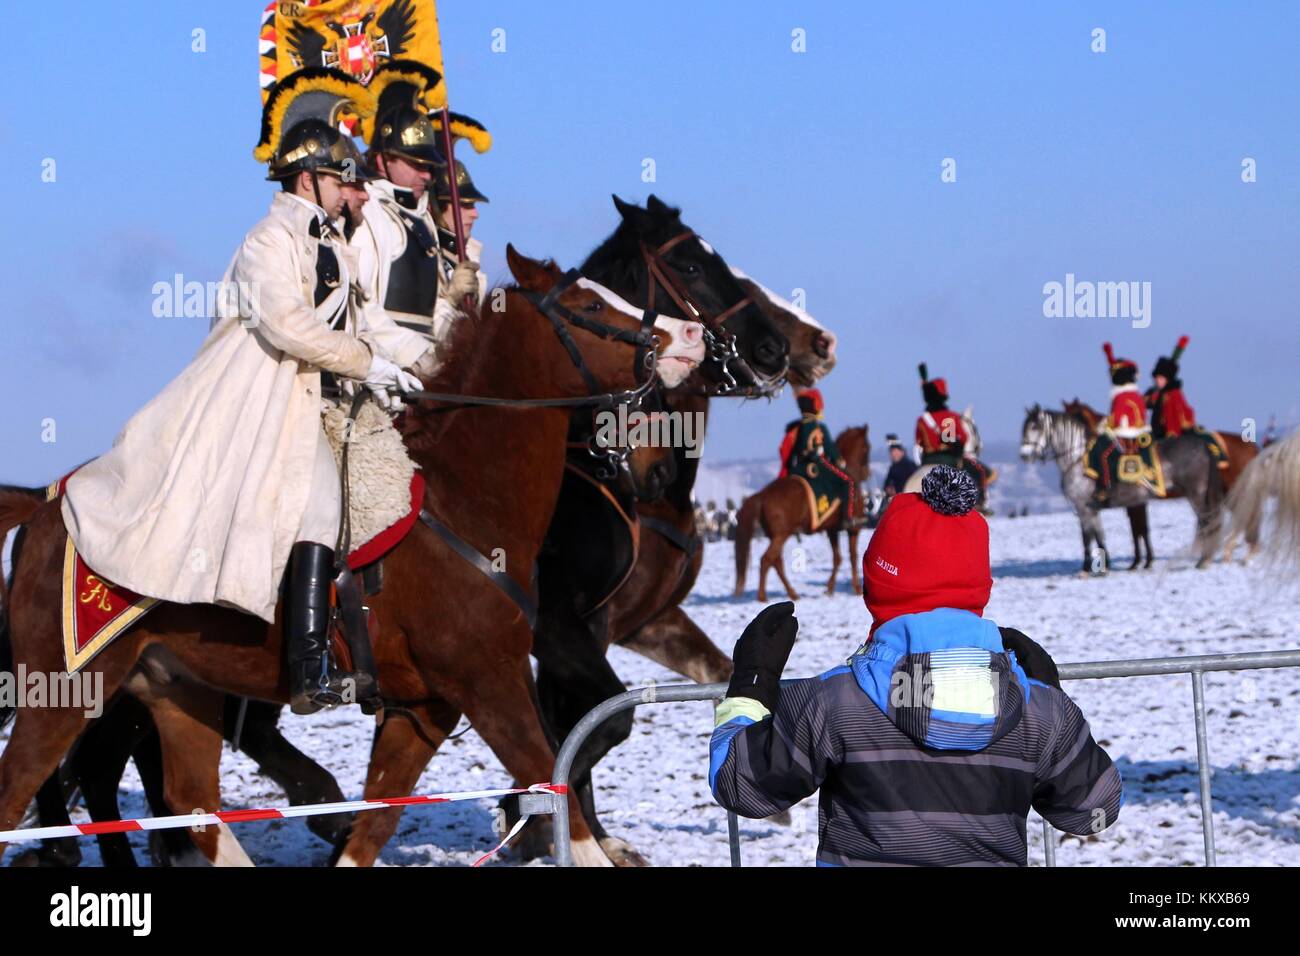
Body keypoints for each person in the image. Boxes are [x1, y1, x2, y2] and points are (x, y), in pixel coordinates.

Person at [61, 69, 423, 715]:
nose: (348, 190)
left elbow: (366, 323)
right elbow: (288, 326)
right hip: (266, 399)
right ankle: (310, 664)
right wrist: (363, 360)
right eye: (340, 178)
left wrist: (421, 362)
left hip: (323, 398)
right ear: (308, 178)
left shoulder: (330, 244)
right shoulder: (268, 241)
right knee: (318, 501)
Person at [709, 467, 1123, 866]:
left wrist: (751, 687)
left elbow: (740, 784)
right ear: (979, 585)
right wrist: (1054, 700)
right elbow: (1092, 811)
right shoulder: (1038, 712)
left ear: (876, 584)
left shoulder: (833, 703)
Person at [349, 61, 481, 348]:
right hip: (379, 376)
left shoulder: (422, 224)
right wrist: (420, 359)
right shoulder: (370, 214)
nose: (426, 174)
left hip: (419, 377)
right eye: (415, 164)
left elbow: (432, 322)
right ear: (384, 161)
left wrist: (452, 302)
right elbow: (362, 312)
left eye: (429, 166)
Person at [1145, 335, 1228, 470]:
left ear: (1167, 379)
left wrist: (1171, 434)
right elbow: (1147, 403)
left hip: (1176, 432)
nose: (1158, 381)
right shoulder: (1158, 394)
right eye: (1157, 378)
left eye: (1161, 378)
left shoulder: (1174, 394)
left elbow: (1174, 418)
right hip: (1158, 432)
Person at [1084, 343, 1151, 506]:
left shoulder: (1122, 396)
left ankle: (1106, 489)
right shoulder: (1134, 393)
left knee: (1103, 454)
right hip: (1137, 431)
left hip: (1127, 434)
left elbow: (1116, 418)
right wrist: (1109, 355)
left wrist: (1103, 427)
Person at [778, 388, 857, 527]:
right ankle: (847, 518)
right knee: (848, 482)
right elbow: (830, 449)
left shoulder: (796, 428)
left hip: (798, 468)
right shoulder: (819, 428)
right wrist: (840, 461)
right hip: (818, 465)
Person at [431, 155, 491, 332]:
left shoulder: (470, 254)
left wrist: (502, 306)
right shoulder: (423, 254)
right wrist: (450, 298)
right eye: (465, 205)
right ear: (435, 206)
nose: (475, 214)